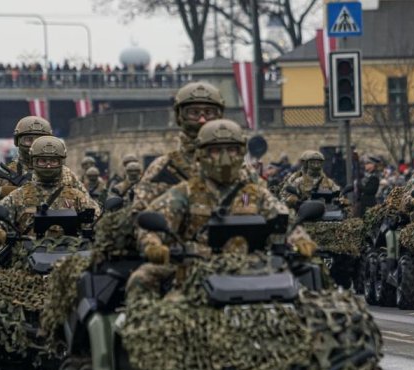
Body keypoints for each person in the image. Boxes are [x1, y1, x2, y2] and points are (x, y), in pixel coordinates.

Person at [129, 119, 315, 295]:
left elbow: (284, 220)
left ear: (241, 152)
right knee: (142, 277)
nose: (225, 158)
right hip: (195, 273)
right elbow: (150, 223)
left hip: (252, 270)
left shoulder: (251, 193)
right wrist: (153, 246)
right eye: (216, 150)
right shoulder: (186, 192)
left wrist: (300, 240)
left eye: (232, 150)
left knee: (311, 273)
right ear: (201, 155)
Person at [0, 136, 99, 245]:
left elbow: (97, 219)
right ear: (34, 162)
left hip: (71, 254)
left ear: (61, 162)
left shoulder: (77, 196)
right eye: (43, 161)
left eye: (53, 161)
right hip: (27, 255)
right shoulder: (19, 196)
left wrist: (97, 229)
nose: (48, 166)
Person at [131, 81, 225, 210]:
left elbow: (247, 197)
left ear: (219, 116)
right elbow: (141, 212)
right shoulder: (163, 168)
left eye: (209, 113)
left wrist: (244, 207)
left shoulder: (239, 168)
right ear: (180, 116)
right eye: (194, 112)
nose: (202, 120)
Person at [280, 150, 347, 210]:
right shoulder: (298, 180)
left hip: (326, 213)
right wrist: (293, 199)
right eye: (312, 162)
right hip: (303, 213)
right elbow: (285, 196)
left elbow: (338, 195)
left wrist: (341, 200)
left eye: (318, 162)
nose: (316, 165)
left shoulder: (328, 182)